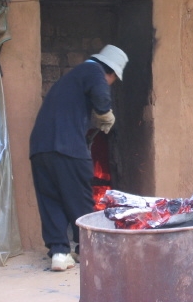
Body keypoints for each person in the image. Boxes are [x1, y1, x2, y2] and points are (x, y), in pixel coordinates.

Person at [29, 44, 128, 271]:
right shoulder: (94, 71)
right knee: (80, 200)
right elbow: (101, 93)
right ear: (111, 72)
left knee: (51, 201)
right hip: (68, 148)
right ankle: (87, 250)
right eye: (114, 79)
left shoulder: (69, 78)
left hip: (40, 149)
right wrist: (105, 114)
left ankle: (59, 253)